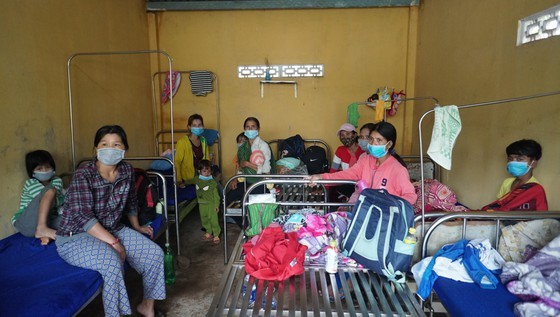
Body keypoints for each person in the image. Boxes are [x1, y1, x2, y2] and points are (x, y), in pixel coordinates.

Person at [56, 125, 165, 317]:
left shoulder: (126, 171)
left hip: (113, 228)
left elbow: (131, 200)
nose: (110, 149)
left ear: (124, 149)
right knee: (112, 263)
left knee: (154, 254)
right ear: (96, 148)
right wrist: (115, 244)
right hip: (77, 236)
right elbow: (83, 216)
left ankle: (147, 307)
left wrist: (137, 226)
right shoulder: (84, 174)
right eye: (104, 144)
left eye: (116, 145)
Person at [308, 121, 417, 205]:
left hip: (384, 218)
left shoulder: (398, 170)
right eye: (371, 139)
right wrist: (321, 177)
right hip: (365, 211)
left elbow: (410, 196)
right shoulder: (365, 160)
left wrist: (390, 204)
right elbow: (347, 174)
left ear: (389, 145)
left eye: (379, 140)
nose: (373, 143)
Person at [12, 150, 64, 245]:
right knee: (50, 191)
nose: (44, 171)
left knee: (72, 220)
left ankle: (45, 235)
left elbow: (56, 201)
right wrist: (63, 198)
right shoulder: (30, 183)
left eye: (47, 167)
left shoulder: (57, 180)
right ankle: (42, 229)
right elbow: (49, 201)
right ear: (32, 171)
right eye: (39, 169)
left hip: (48, 219)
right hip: (27, 224)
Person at [483, 139, 548, 211]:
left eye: (519, 159)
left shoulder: (535, 188)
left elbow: (539, 216)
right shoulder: (506, 182)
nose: (513, 162)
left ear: (533, 163)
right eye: (510, 159)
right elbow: (498, 207)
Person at [189, 159, 221, 244]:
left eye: (209, 171)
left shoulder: (212, 181)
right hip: (201, 204)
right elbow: (190, 181)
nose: (207, 173)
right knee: (204, 219)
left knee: (213, 220)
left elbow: (216, 195)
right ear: (199, 171)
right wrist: (183, 183)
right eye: (204, 171)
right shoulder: (197, 179)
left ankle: (216, 234)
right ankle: (209, 232)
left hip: (211, 205)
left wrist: (216, 205)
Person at [175, 113, 209, 187]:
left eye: (199, 125)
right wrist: (179, 180)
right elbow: (177, 162)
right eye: (194, 125)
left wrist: (208, 173)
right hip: (189, 176)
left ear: (203, 126)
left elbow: (207, 160)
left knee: (213, 183)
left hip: (203, 173)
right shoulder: (182, 142)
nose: (197, 127)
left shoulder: (203, 141)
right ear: (189, 127)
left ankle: (224, 197)